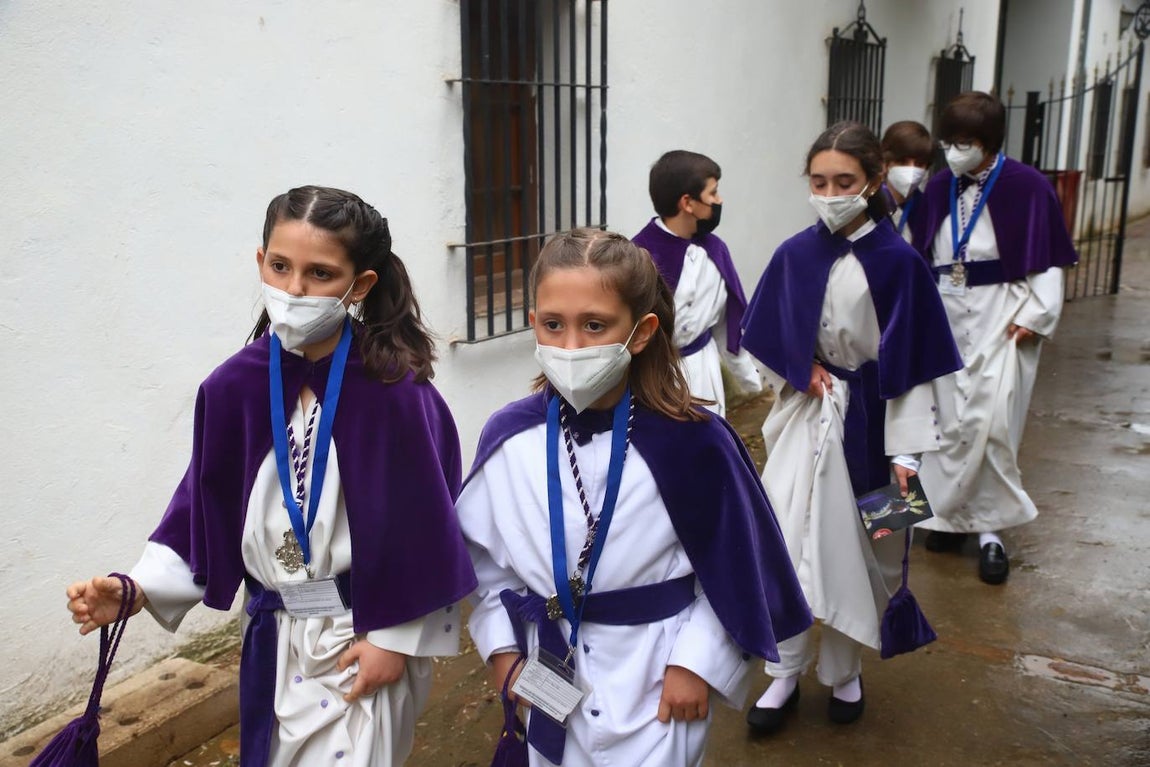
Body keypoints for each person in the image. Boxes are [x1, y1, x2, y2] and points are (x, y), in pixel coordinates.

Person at [65, 186, 477, 766]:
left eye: (320, 273)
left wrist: (395, 640)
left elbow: (428, 528)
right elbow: (203, 510)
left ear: (359, 285)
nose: (295, 290)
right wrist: (135, 590)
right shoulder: (234, 386)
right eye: (280, 267)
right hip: (273, 638)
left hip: (359, 635)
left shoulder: (395, 393)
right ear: (261, 262)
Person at [457, 228, 811, 766]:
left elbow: (736, 565)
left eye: (595, 325)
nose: (571, 346)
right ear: (534, 324)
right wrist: (503, 655)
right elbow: (487, 569)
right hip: (544, 674)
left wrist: (697, 663)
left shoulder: (695, 439)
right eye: (553, 325)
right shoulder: (508, 437)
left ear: (641, 332)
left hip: (658, 682)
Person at [740, 122, 963, 733]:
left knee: (881, 554)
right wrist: (800, 365)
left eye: (845, 181)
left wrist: (909, 456)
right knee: (789, 540)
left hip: (886, 429)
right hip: (808, 420)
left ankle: (845, 670)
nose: (831, 191)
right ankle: (783, 671)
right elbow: (763, 335)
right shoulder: (794, 253)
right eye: (819, 181)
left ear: (871, 181)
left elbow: (917, 368)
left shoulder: (902, 263)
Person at [908, 91, 1078, 584]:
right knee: (943, 427)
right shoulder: (939, 187)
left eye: (964, 142)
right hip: (943, 313)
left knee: (994, 426)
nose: (954, 150)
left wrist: (1038, 316)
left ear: (988, 142)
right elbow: (915, 251)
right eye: (949, 141)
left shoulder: (1028, 186)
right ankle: (946, 519)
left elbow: (1047, 259)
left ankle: (991, 535)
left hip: (1002, 316)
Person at [631, 150, 761, 417]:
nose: (719, 200)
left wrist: (753, 382)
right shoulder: (638, 256)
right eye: (713, 193)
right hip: (654, 379)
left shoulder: (715, 251)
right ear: (687, 203)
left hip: (705, 374)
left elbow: (728, 327)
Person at [880, 120, 933, 243]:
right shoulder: (868, 205)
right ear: (885, 164)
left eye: (919, 164)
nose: (911, 169)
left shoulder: (927, 209)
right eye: (902, 162)